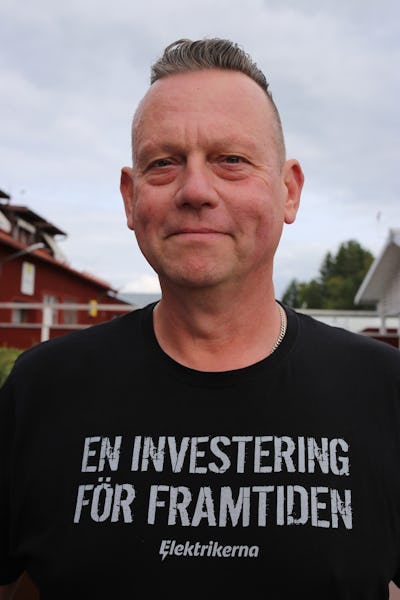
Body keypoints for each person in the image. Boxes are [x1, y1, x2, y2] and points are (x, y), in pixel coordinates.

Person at [1, 37, 400, 600]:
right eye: (164, 163)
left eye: (230, 160)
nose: (194, 190)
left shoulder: (383, 390)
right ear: (130, 197)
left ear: (289, 191)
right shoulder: (42, 390)